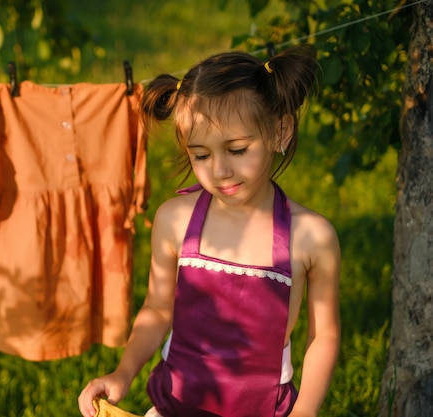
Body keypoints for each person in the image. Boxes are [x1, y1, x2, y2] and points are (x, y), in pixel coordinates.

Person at [78, 44, 341, 417]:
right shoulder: (175, 221)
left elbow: (324, 335)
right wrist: (124, 372)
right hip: (176, 404)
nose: (219, 171)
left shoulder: (311, 237)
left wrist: (305, 410)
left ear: (279, 130)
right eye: (201, 155)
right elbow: (156, 308)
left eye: (236, 150)